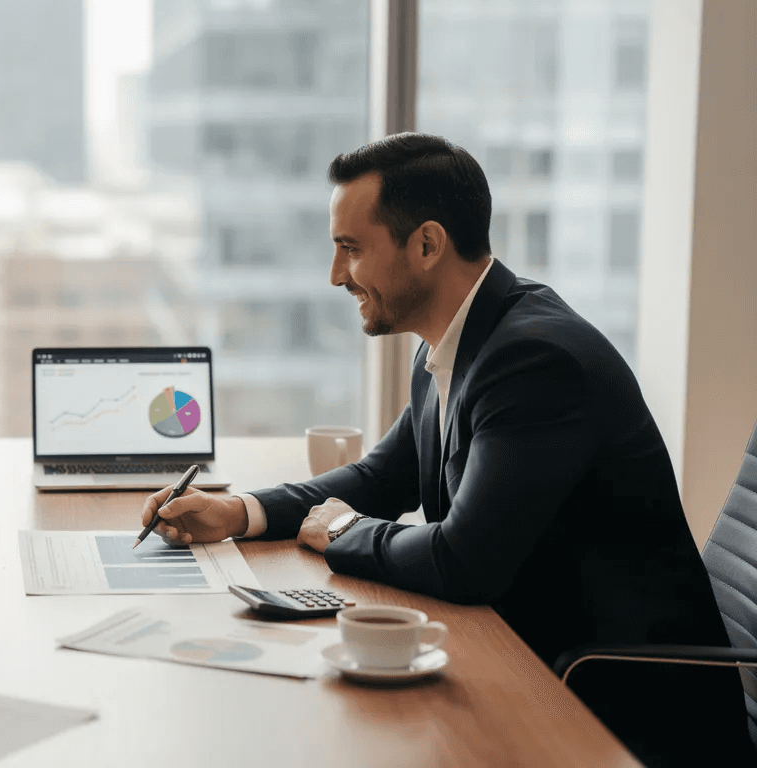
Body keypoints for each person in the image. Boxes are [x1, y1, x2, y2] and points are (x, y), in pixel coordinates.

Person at [141, 133, 751, 766]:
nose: (335, 276)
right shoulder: (460, 340)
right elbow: (384, 477)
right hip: (532, 660)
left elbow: (465, 560)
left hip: (618, 708)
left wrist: (344, 530)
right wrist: (239, 511)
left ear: (427, 244)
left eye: (351, 249)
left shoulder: (534, 360)